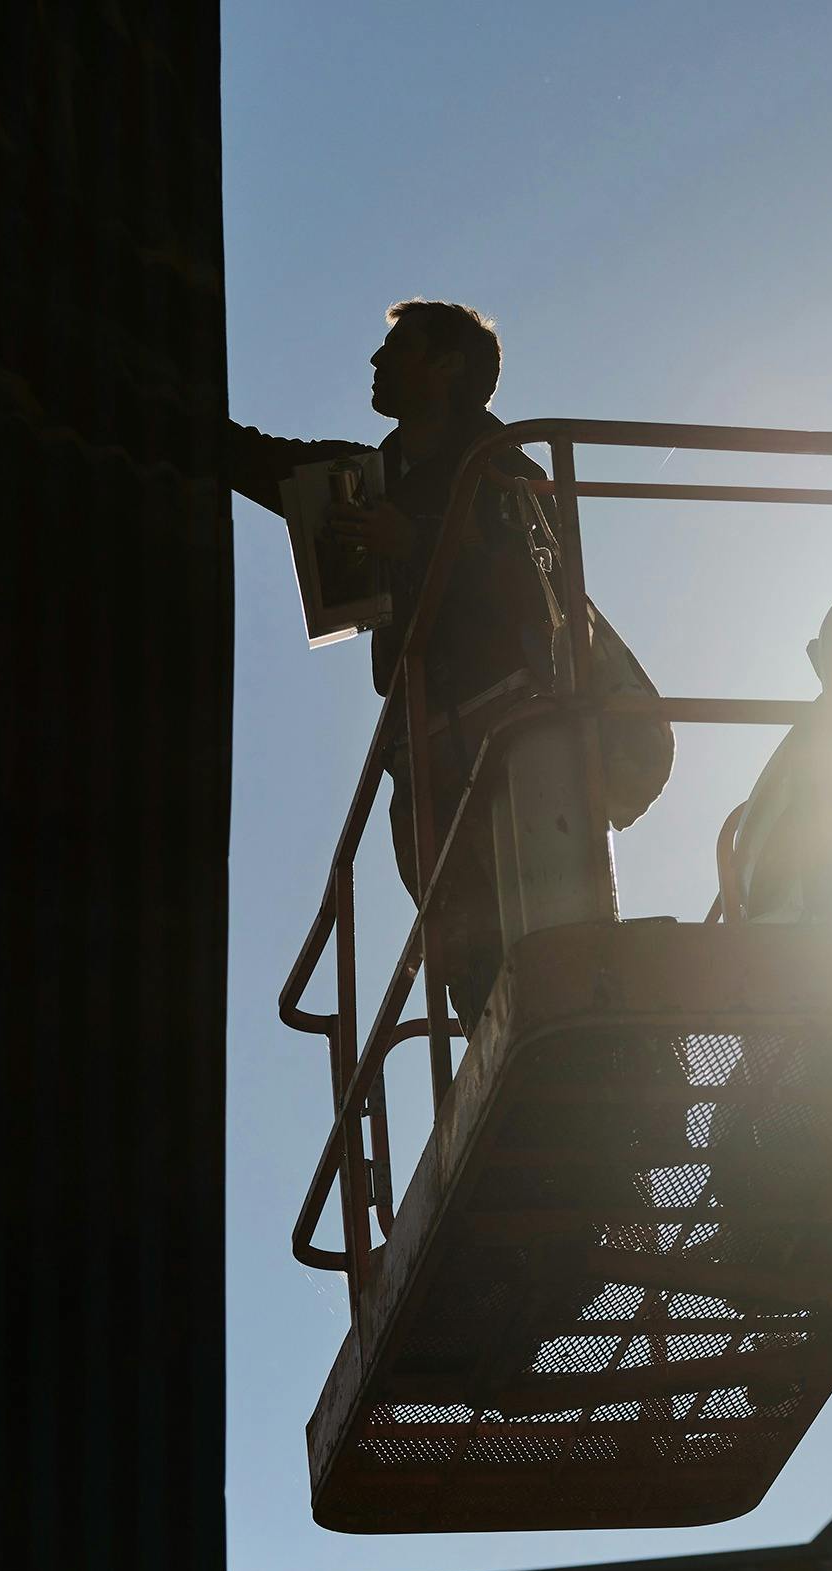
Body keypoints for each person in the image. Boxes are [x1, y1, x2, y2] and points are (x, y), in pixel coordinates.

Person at [231, 299, 670, 1026]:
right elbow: (264, 463)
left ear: (447, 366)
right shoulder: (376, 477)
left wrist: (417, 542)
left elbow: (535, 592)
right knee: (468, 959)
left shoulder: (508, 469)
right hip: (426, 748)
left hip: (516, 733)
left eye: (397, 347)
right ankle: (505, 1050)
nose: (376, 361)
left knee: (557, 938)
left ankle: (594, 1048)